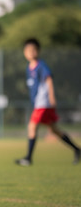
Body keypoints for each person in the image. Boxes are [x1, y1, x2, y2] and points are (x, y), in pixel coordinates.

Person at [15, 38, 80, 166]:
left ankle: (28, 158)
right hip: (39, 103)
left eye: (34, 50)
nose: (31, 53)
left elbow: (48, 80)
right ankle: (77, 149)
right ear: (24, 52)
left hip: (43, 103)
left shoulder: (41, 65)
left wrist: (52, 98)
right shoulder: (29, 67)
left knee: (32, 126)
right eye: (28, 50)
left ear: (38, 51)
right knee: (54, 130)